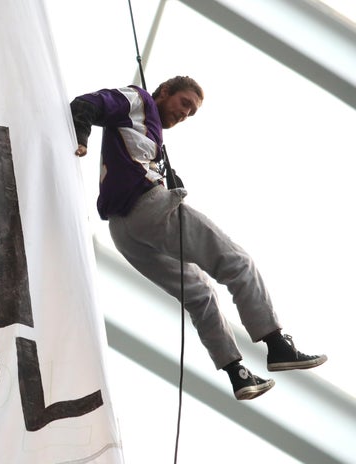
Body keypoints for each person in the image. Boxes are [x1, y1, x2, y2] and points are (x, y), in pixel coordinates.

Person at [70, 76, 327, 400]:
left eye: (191, 112)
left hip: (124, 231)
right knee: (236, 262)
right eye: (184, 103)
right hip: (147, 209)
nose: (185, 114)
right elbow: (87, 104)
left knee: (199, 293)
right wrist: (81, 136)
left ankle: (238, 373)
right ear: (163, 92)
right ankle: (276, 344)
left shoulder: (150, 134)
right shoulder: (139, 99)